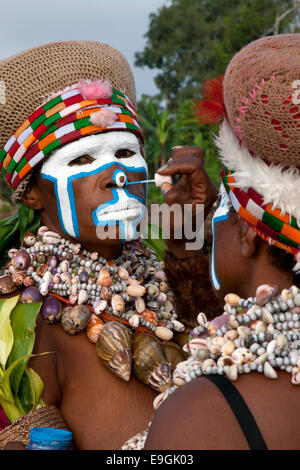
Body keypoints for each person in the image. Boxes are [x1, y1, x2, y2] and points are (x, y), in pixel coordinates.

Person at [0, 40, 221, 450]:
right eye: (82, 161)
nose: (116, 175)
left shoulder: (169, 273)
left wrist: (191, 235)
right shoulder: (29, 320)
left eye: (124, 152)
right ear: (31, 193)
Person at [142, 34, 300, 450]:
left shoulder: (201, 415)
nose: (212, 222)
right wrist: (184, 248)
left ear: (249, 233)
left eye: (223, 210)